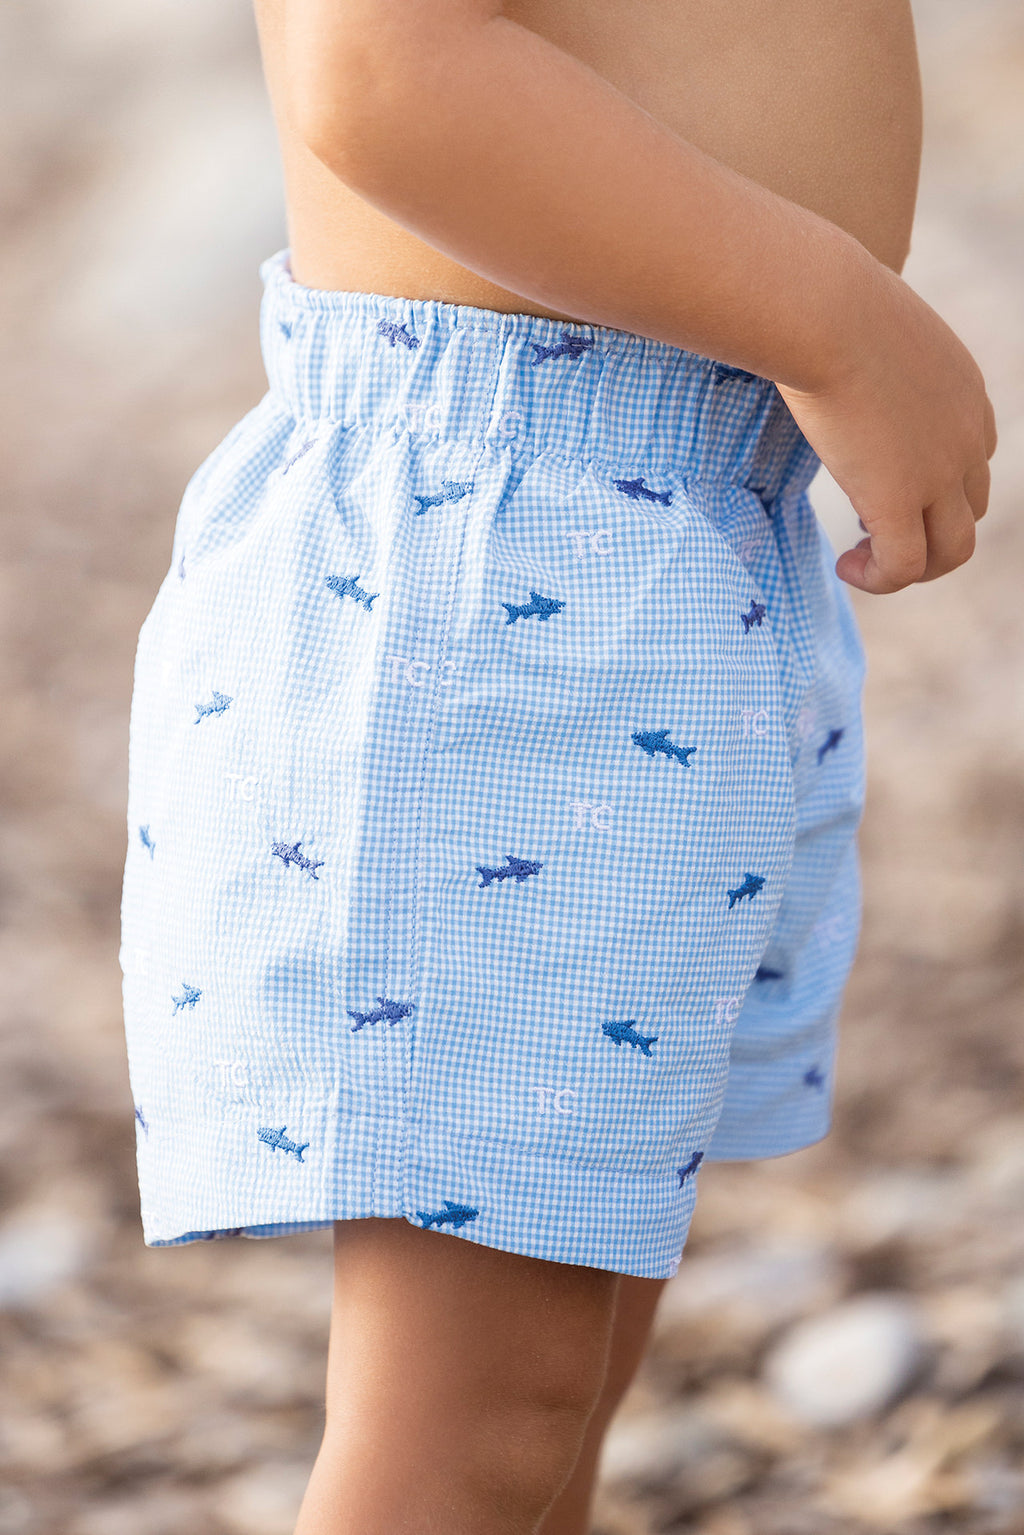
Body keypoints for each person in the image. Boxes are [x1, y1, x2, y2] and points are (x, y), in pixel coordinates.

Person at [118, 2, 997, 1531]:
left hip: (686, 536)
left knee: (557, 1381)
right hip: (494, 568)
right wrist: (837, 319)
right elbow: (382, 70)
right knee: (478, 1417)